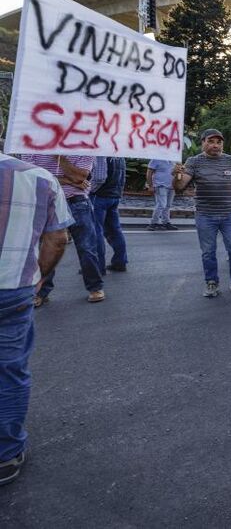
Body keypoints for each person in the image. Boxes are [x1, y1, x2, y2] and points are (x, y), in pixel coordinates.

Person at [0, 150, 72, 486]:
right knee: (10, 369)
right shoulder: (41, 178)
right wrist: (40, 276)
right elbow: (58, 239)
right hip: (13, 287)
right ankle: (6, 454)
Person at [173, 129, 231, 297]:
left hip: (229, 215)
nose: (216, 145)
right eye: (211, 141)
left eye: (219, 142)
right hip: (205, 215)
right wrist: (177, 175)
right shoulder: (193, 162)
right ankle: (211, 283)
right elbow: (179, 188)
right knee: (208, 251)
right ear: (203, 142)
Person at [21, 153, 105, 305]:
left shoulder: (84, 147)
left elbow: (81, 177)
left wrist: (60, 158)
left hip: (77, 202)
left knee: (87, 248)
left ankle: (95, 287)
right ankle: (41, 291)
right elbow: (32, 176)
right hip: (47, 201)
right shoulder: (33, 147)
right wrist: (68, 180)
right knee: (45, 249)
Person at [90, 156, 129, 274]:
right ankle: (120, 262)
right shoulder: (119, 155)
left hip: (99, 196)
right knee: (115, 230)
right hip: (114, 195)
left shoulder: (102, 153)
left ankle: (97, 266)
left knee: (95, 231)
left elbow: (99, 178)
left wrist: (89, 190)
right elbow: (123, 177)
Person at [146, 159, 178, 230]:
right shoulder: (156, 159)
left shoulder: (174, 160)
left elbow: (175, 173)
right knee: (161, 205)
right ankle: (153, 223)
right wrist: (150, 185)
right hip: (160, 185)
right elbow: (149, 172)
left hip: (172, 186)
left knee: (168, 205)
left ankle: (166, 222)